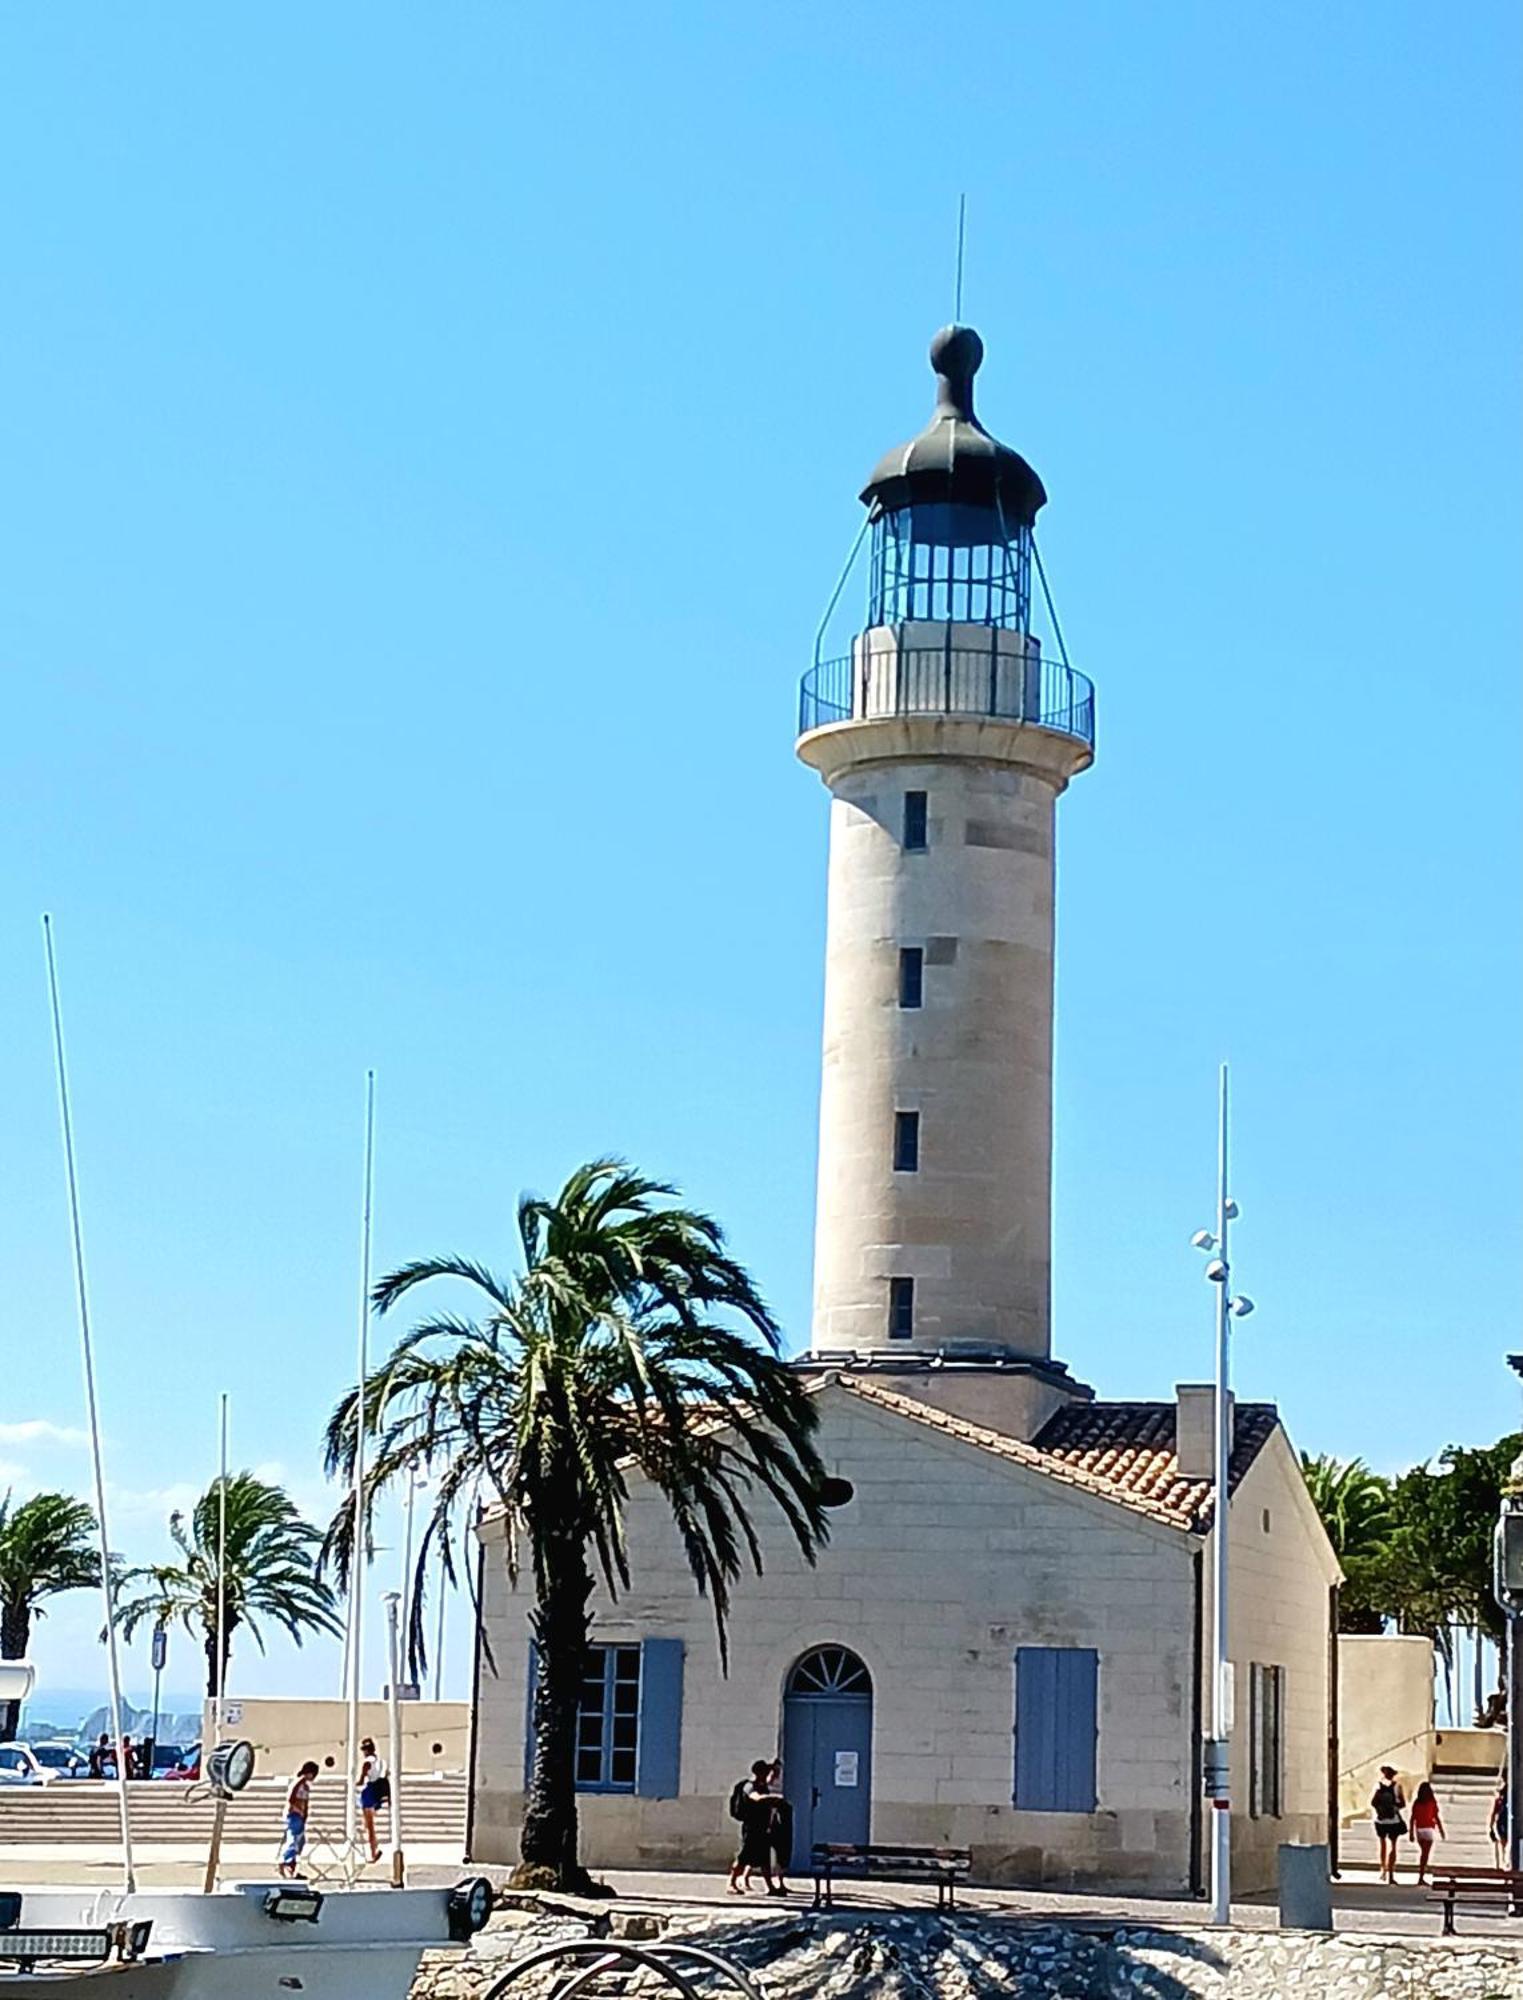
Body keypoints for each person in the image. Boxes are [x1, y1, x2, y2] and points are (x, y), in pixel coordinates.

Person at [727, 1760, 784, 1895]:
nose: (767, 1775)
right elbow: (755, 1798)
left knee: (765, 1859)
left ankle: (770, 1887)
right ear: (758, 1773)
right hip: (751, 1828)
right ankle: (732, 1882)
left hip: (763, 1827)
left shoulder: (762, 1785)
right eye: (765, 1772)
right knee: (744, 1858)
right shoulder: (749, 1786)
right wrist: (772, 1798)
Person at [279, 1760, 320, 1878]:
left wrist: (305, 1815)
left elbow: (306, 1803)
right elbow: (291, 1799)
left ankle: (293, 1865)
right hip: (293, 1815)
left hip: (300, 1816)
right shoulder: (298, 1783)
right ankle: (287, 1862)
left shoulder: (306, 1787)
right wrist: (296, 1810)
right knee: (293, 1839)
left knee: (300, 1842)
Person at [1370, 1764, 1407, 1884]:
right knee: (1393, 1846)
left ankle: (1383, 1870)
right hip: (1393, 1819)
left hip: (1380, 1820)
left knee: (1382, 1845)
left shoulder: (1377, 1785)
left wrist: (1380, 1810)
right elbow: (1403, 1804)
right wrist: (1394, 1807)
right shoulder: (1397, 1786)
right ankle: (1391, 1873)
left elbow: (1373, 1802)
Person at [357, 1736, 388, 1864]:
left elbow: (361, 1778)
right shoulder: (379, 1761)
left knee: (369, 1825)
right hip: (376, 1790)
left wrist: (357, 1782)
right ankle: (373, 1849)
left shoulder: (367, 1762)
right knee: (369, 1825)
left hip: (369, 1790)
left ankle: (373, 1851)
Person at [765, 1759, 793, 1896]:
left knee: (781, 1854)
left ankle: (780, 1881)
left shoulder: (781, 1782)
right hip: (770, 1820)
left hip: (779, 1819)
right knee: (758, 1853)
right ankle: (743, 1878)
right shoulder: (767, 1782)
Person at [1410, 1779, 1445, 1885]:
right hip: (1428, 1828)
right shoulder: (1432, 1802)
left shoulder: (1417, 1802)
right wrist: (1441, 1829)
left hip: (1419, 1828)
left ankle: (1421, 1874)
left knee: (1424, 1853)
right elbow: (1436, 1816)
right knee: (1425, 1853)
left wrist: (1411, 1831)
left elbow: (1413, 1818)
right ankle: (1421, 1875)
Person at [1491, 1775, 1509, 1869]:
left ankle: (1505, 1860)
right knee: (1503, 1841)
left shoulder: (1504, 1796)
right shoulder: (1501, 1798)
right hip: (1502, 1821)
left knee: (1505, 1842)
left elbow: (1494, 1813)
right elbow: (1494, 1812)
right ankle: (1504, 1861)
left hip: (1504, 1821)